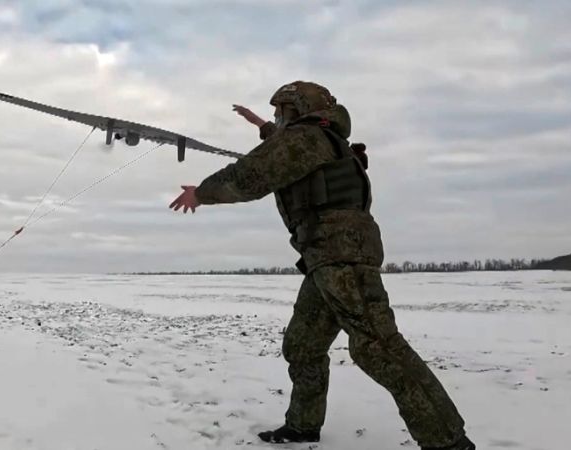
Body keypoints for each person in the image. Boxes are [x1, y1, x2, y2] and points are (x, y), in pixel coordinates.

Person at [169, 82, 475, 450]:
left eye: (281, 111)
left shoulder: (306, 138)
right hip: (324, 255)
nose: (278, 118)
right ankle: (303, 425)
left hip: (340, 253)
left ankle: (448, 442)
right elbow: (281, 146)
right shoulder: (318, 137)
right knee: (303, 345)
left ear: (298, 111)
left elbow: (250, 176)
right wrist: (260, 124)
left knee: (378, 347)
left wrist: (200, 194)